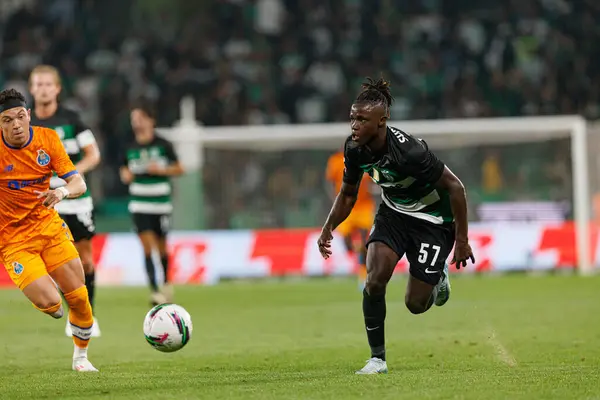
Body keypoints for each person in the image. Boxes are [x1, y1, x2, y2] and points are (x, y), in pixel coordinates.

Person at [317, 77, 475, 375]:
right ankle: (377, 359)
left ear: (381, 122)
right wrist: (329, 227)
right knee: (374, 279)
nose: (354, 125)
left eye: (361, 119)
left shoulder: (410, 152)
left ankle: (438, 275)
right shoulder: (354, 149)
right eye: (352, 117)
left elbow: (456, 188)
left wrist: (462, 241)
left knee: (415, 304)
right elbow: (348, 193)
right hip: (394, 214)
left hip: (433, 221)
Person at [0, 88, 98, 372]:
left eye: (20, 117)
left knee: (79, 298)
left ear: (28, 115)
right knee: (54, 307)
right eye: (7, 120)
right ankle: (44, 281)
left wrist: (63, 192)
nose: (16, 125)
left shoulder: (48, 139)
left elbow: (79, 183)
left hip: (49, 229)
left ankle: (81, 358)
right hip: (14, 242)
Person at [29, 65, 102, 338]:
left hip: (76, 198)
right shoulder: (27, 124)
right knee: (55, 263)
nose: (43, 88)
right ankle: (73, 315)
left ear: (57, 88)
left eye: (48, 84)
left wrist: (74, 175)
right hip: (43, 200)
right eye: (38, 84)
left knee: (84, 261)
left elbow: (93, 154)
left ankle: (88, 316)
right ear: (32, 88)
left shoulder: (72, 119)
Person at [119, 100, 183, 305]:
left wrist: (162, 170)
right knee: (147, 247)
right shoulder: (129, 146)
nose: (137, 123)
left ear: (151, 120)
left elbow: (179, 168)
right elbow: (123, 171)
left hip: (161, 203)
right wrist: (125, 176)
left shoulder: (162, 144)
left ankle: (166, 283)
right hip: (139, 203)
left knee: (162, 248)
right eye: (134, 120)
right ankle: (154, 290)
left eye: (140, 118)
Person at [325, 149, 375, 289]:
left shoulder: (366, 159)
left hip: (364, 207)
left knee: (366, 240)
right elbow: (329, 182)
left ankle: (364, 274)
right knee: (347, 244)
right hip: (346, 207)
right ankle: (360, 255)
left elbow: (374, 181)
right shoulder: (335, 160)